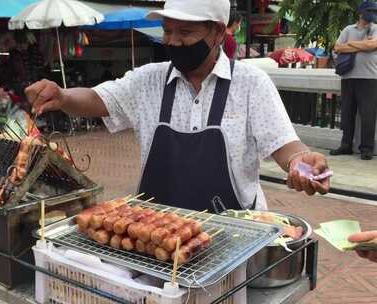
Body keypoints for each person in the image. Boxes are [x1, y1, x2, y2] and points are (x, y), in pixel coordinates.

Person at [25, 0, 331, 211]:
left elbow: (285, 146)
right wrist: (63, 97)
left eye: (186, 32)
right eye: (168, 31)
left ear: (218, 32)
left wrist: (302, 162)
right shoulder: (149, 80)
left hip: (234, 232)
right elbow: (98, 100)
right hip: (158, 229)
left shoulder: (251, 84)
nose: (173, 41)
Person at [331, 0, 377, 160]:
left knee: (368, 114)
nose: (373, 14)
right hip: (348, 76)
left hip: (370, 77)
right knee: (347, 113)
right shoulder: (348, 29)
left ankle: (366, 148)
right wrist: (362, 45)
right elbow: (337, 47)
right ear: (361, 12)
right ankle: (346, 145)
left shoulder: (376, 29)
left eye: (375, 11)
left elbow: (373, 45)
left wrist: (350, 44)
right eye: (370, 11)